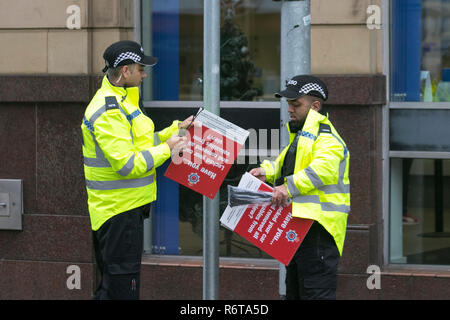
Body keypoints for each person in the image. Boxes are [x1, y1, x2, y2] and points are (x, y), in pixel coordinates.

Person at [81, 40, 191, 300]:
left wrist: (175, 131)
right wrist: (168, 149)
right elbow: (127, 164)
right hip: (117, 213)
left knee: (116, 288)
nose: (144, 74)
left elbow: (141, 144)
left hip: (123, 211)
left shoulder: (123, 103)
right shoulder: (109, 111)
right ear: (125, 71)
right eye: (140, 69)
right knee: (120, 292)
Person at [249, 75, 350, 300]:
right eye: (288, 105)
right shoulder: (303, 137)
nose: (290, 110)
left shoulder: (327, 138)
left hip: (320, 233)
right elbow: (286, 164)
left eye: (296, 105)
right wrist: (265, 171)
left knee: (315, 295)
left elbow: (321, 171)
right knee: (295, 293)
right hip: (301, 231)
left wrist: (287, 188)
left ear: (315, 106)